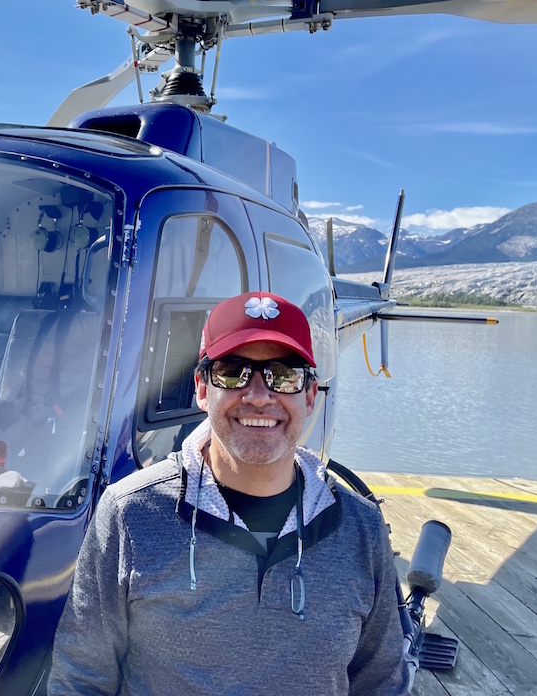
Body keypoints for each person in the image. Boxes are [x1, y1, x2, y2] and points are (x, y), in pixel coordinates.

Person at [47, 291, 408, 695]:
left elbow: (380, 683)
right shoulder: (128, 514)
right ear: (202, 388)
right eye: (233, 372)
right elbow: (80, 679)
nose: (257, 395)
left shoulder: (361, 528)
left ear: (309, 395)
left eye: (283, 374)